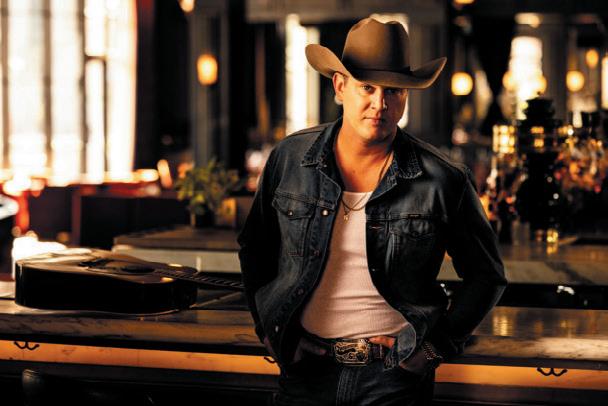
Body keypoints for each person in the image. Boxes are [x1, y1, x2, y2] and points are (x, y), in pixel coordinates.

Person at [237, 17, 507, 406]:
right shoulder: (290, 158)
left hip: (394, 379)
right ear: (339, 86)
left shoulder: (442, 178)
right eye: (367, 87)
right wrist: (271, 333)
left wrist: (431, 351)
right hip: (305, 372)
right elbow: (255, 248)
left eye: (394, 91)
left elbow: (487, 276)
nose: (380, 104)